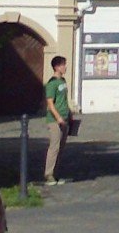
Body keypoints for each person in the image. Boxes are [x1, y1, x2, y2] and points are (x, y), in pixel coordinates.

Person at [43, 55, 73, 184]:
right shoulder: (52, 83)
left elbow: (64, 100)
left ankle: (56, 173)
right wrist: (58, 117)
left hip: (65, 118)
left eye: (65, 64)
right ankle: (48, 174)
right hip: (55, 120)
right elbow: (50, 103)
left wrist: (69, 114)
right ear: (56, 67)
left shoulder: (63, 81)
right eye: (63, 65)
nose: (65, 67)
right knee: (54, 147)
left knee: (61, 147)